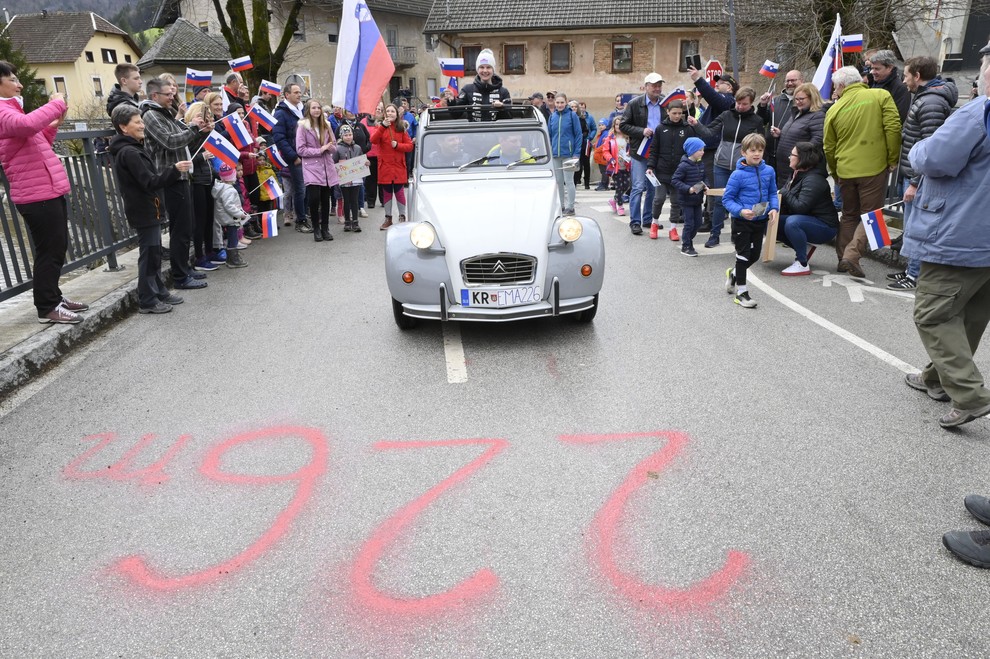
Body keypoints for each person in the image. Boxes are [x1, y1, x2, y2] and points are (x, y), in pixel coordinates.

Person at [901, 45, 990, 429]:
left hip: (958, 231)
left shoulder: (978, 112)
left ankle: (970, 395)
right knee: (969, 313)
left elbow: (933, 157)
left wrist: (918, 148)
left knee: (933, 314)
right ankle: (938, 378)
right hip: (983, 236)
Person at [0, 61, 89, 324]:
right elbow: (27, 126)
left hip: (46, 190)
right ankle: (47, 307)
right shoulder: (3, 111)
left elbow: (38, 142)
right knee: (49, 250)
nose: (19, 84)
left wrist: (53, 124)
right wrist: (57, 102)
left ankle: (54, 297)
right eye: (13, 79)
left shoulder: (12, 110)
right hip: (35, 195)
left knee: (56, 246)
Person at [108, 104, 191, 314]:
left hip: (147, 208)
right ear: (123, 127)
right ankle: (147, 299)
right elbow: (150, 182)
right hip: (144, 210)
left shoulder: (132, 148)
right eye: (137, 122)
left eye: (141, 121)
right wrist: (174, 170)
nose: (142, 125)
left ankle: (159, 291)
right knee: (149, 254)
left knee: (153, 252)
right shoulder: (130, 152)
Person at [887, 55, 958, 291]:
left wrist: (915, 183)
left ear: (917, 76)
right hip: (913, 174)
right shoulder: (926, 98)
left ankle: (915, 275)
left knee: (917, 227)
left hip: (918, 178)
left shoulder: (931, 103)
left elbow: (931, 147)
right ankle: (910, 270)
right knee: (911, 226)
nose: (904, 80)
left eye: (906, 75)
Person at [823, 66, 901, 279]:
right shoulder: (880, 95)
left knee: (849, 214)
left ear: (841, 86)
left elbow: (828, 146)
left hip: (845, 170)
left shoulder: (834, 109)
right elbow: (893, 128)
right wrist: (892, 158)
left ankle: (842, 258)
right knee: (872, 215)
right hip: (873, 167)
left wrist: (835, 171)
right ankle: (852, 254)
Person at [140, 77, 212, 290]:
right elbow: (170, 141)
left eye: (172, 93)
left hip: (181, 175)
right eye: (168, 94)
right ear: (155, 96)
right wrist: (192, 128)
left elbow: (181, 136)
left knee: (187, 226)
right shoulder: (151, 115)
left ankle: (186, 269)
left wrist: (194, 128)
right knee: (179, 228)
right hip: (170, 177)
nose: (173, 97)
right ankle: (180, 276)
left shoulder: (164, 112)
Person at [688, 87, 765, 247]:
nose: (740, 106)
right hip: (721, 164)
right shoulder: (726, 115)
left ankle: (736, 234)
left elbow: (761, 144)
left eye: (744, 104)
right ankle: (714, 235)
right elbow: (708, 132)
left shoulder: (756, 120)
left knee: (739, 201)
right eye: (738, 102)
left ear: (751, 104)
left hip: (743, 167)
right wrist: (696, 124)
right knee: (719, 201)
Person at [721, 133, 778, 309]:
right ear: (744, 152)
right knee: (743, 254)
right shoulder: (737, 175)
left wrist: (774, 208)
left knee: (754, 255)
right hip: (742, 221)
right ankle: (741, 293)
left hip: (759, 220)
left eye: (760, 150)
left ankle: (734, 274)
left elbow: (772, 192)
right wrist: (741, 211)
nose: (757, 154)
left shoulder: (769, 171)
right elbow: (727, 199)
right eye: (752, 150)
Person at [777, 142, 838, 276]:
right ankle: (804, 248)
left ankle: (802, 263)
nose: (789, 157)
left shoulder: (814, 179)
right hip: (807, 219)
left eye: (792, 154)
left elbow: (800, 208)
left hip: (825, 226)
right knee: (770, 221)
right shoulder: (796, 174)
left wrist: (784, 193)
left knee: (793, 222)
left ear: (801, 158)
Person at [646, 100, 701, 240]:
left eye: (680, 113)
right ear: (668, 112)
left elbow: (691, 150)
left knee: (676, 202)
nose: (677, 116)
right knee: (659, 199)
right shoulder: (660, 128)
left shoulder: (687, 129)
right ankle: (654, 223)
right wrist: (650, 166)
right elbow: (654, 149)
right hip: (661, 171)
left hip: (679, 173)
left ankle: (673, 228)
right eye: (674, 113)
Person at [620, 72, 667, 235]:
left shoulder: (665, 103)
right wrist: (642, 131)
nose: (657, 88)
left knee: (653, 188)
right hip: (639, 152)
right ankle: (635, 222)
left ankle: (647, 219)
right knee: (638, 187)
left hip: (657, 152)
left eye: (659, 85)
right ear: (646, 86)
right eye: (654, 85)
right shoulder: (634, 104)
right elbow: (623, 126)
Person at [296, 98, 339, 243]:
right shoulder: (302, 126)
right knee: (314, 198)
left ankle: (325, 228)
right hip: (312, 167)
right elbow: (301, 149)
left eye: (318, 108)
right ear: (308, 110)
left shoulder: (326, 125)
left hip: (326, 166)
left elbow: (333, 145)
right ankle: (316, 228)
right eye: (314, 108)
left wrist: (329, 147)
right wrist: (320, 149)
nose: (317, 110)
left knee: (325, 198)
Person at [769, 83, 825, 187]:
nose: (798, 102)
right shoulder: (796, 113)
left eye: (801, 99)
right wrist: (780, 134)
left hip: (798, 167)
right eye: (796, 99)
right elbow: (797, 134)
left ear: (812, 97)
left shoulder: (817, 116)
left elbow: (817, 140)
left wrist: (799, 157)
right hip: (785, 166)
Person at [273, 82, 311, 232]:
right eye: (295, 92)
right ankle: (300, 220)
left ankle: (305, 215)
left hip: (307, 155)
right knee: (300, 189)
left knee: (308, 187)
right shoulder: (281, 113)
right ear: (286, 95)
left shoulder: (303, 110)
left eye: (299, 92)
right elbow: (279, 137)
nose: (299, 94)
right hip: (296, 158)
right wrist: (293, 156)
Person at [371, 103, 413, 229]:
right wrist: (383, 127)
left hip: (398, 166)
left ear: (397, 114)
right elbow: (373, 140)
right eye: (387, 111)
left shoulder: (401, 128)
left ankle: (402, 216)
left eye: (392, 111)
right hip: (385, 167)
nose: (390, 113)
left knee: (399, 192)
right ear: (384, 114)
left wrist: (398, 145)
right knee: (387, 193)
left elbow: (410, 146)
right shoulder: (380, 127)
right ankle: (388, 218)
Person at [445, 49, 511, 121]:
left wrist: (501, 108)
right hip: (474, 131)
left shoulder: (503, 92)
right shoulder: (467, 90)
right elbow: (455, 115)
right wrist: (451, 101)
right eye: (481, 67)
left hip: (496, 131)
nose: (485, 71)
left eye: (488, 67)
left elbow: (509, 117)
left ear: (493, 70)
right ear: (477, 69)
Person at [757, 69, 803, 170]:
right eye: (787, 81)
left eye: (793, 80)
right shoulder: (775, 100)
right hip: (770, 155)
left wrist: (782, 134)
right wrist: (763, 105)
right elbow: (762, 121)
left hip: (790, 156)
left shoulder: (803, 103)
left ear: (801, 81)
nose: (789, 83)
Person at [670, 137, 707, 257]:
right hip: (686, 200)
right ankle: (686, 246)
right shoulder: (683, 166)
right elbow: (675, 180)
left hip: (697, 199)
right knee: (689, 223)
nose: (703, 152)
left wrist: (706, 186)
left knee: (698, 223)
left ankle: (688, 240)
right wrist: (688, 189)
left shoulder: (701, 164)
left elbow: (704, 178)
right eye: (700, 150)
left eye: (703, 149)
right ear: (692, 151)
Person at [548, 93, 581, 215]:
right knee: (558, 182)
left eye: (562, 102)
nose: (560, 105)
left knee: (569, 181)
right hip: (556, 154)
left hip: (569, 154)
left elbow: (578, 135)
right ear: (554, 103)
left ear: (566, 102)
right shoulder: (552, 117)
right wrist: (550, 151)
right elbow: (549, 136)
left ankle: (570, 207)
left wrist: (576, 153)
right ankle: (561, 206)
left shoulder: (572, 116)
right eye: (557, 102)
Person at [212, 164, 249, 268]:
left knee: (231, 238)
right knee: (233, 239)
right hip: (230, 218)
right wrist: (240, 214)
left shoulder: (220, 188)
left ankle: (230, 258)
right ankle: (233, 259)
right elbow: (230, 206)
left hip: (225, 217)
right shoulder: (229, 190)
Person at [334, 124, 364, 232]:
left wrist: (366, 163)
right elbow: (334, 163)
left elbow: (362, 160)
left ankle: (355, 222)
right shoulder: (338, 149)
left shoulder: (358, 148)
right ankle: (347, 222)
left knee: (354, 200)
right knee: (346, 200)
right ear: (342, 136)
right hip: (344, 179)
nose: (348, 137)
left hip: (356, 178)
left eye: (350, 134)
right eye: (346, 135)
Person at [868, 50, 911, 123]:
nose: (872, 72)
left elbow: (898, 119)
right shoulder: (873, 82)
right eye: (872, 68)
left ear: (889, 68)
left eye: (877, 69)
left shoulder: (900, 89)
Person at [601, 117, 630, 216]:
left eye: (621, 124)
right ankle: (620, 206)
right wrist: (610, 159)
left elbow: (631, 150)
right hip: (615, 167)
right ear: (614, 125)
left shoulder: (628, 138)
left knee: (626, 185)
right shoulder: (610, 138)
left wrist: (629, 154)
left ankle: (614, 200)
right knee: (619, 186)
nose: (619, 126)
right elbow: (605, 151)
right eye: (617, 124)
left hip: (626, 165)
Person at [571, 100, 593, 190]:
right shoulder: (568, 118)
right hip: (573, 144)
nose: (574, 108)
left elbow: (586, 130)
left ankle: (587, 182)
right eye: (572, 107)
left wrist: (581, 135)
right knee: (576, 164)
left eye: (575, 107)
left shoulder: (582, 118)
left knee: (585, 163)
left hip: (583, 143)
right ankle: (574, 182)